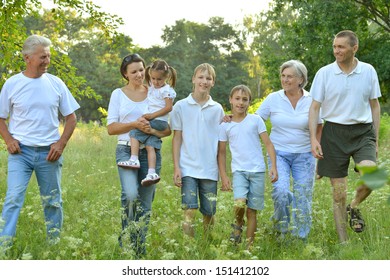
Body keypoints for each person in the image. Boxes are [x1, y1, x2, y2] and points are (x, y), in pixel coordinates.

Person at [0, 35, 80, 247]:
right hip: (21, 154)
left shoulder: (56, 83)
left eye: (49, 56)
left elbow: (71, 118)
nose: (47, 61)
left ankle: (53, 245)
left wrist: (61, 144)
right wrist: (8, 139)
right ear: (27, 58)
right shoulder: (12, 84)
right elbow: (0, 117)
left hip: (49, 153)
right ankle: (3, 246)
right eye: (42, 57)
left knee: (52, 201)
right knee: (13, 199)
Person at [309, 30, 381, 243]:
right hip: (333, 134)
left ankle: (355, 206)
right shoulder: (324, 73)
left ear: (354, 48)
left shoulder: (368, 71)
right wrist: (314, 139)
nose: (336, 51)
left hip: (362, 132)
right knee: (338, 193)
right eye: (334, 47)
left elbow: (375, 106)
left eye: (341, 47)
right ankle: (344, 243)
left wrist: (375, 139)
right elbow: (314, 108)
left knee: (372, 177)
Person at [106, 53, 171, 257]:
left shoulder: (155, 92)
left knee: (145, 203)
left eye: (141, 70)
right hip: (126, 149)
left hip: (149, 153)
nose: (139, 74)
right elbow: (111, 128)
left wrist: (152, 131)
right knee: (130, 195)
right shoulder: (118, 94)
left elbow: (167, 129)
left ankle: (138, 247)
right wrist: (134, 124)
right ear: (125, 74)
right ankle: (125, 236)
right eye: (133, 71)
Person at [256, 60, 323, 241]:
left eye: (290, 76)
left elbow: (319, 125)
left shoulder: (312, 100)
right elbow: (256, 120)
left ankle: (301, 237)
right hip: (279, 155)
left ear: (301, 79)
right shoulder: (273, 98)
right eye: (283, 76)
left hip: (305, 155)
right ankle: (281, 231)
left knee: (303, 196)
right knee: (281, 192)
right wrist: (235, 118)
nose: (285, 80)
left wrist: (316, 144)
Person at [218, 85, 278, 248]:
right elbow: (221, 153)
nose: (240, 102)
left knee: (252, 211)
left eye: (245, 99)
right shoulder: (225, 125)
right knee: (239, 203)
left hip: (257, 171)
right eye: (237, 98)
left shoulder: (256, 120)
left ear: (249, 102)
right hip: (239, 171)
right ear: (230, 100)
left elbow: (268, 144)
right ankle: (237, 227)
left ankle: (249, 247)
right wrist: (224, 176)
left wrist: (273, 166)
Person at [171, 63, 225, 238]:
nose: (204, 81)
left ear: (213, 82)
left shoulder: (217, 109)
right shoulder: (180, 106)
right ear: (193, 79)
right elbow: (177, 138)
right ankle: (189, 247)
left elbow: (222, 142)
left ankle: (206, 244)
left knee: (209, 212)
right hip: (188, 167)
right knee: (190, 209)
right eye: (200, 77)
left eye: (208, 78)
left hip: (209, 169)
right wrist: (177, 167)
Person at [117, 59, 177, 187]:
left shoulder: (166, 90)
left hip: (158, 121)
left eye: (159, 79)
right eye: (153, 78)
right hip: (156, 121)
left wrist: (151, 116)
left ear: (166, 77)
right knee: (151, 146)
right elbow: (141, 81)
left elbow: (168, 108)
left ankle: (133, 159)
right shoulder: (152, 86)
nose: (155, 82)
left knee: (133, 132)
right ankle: (151, 172)